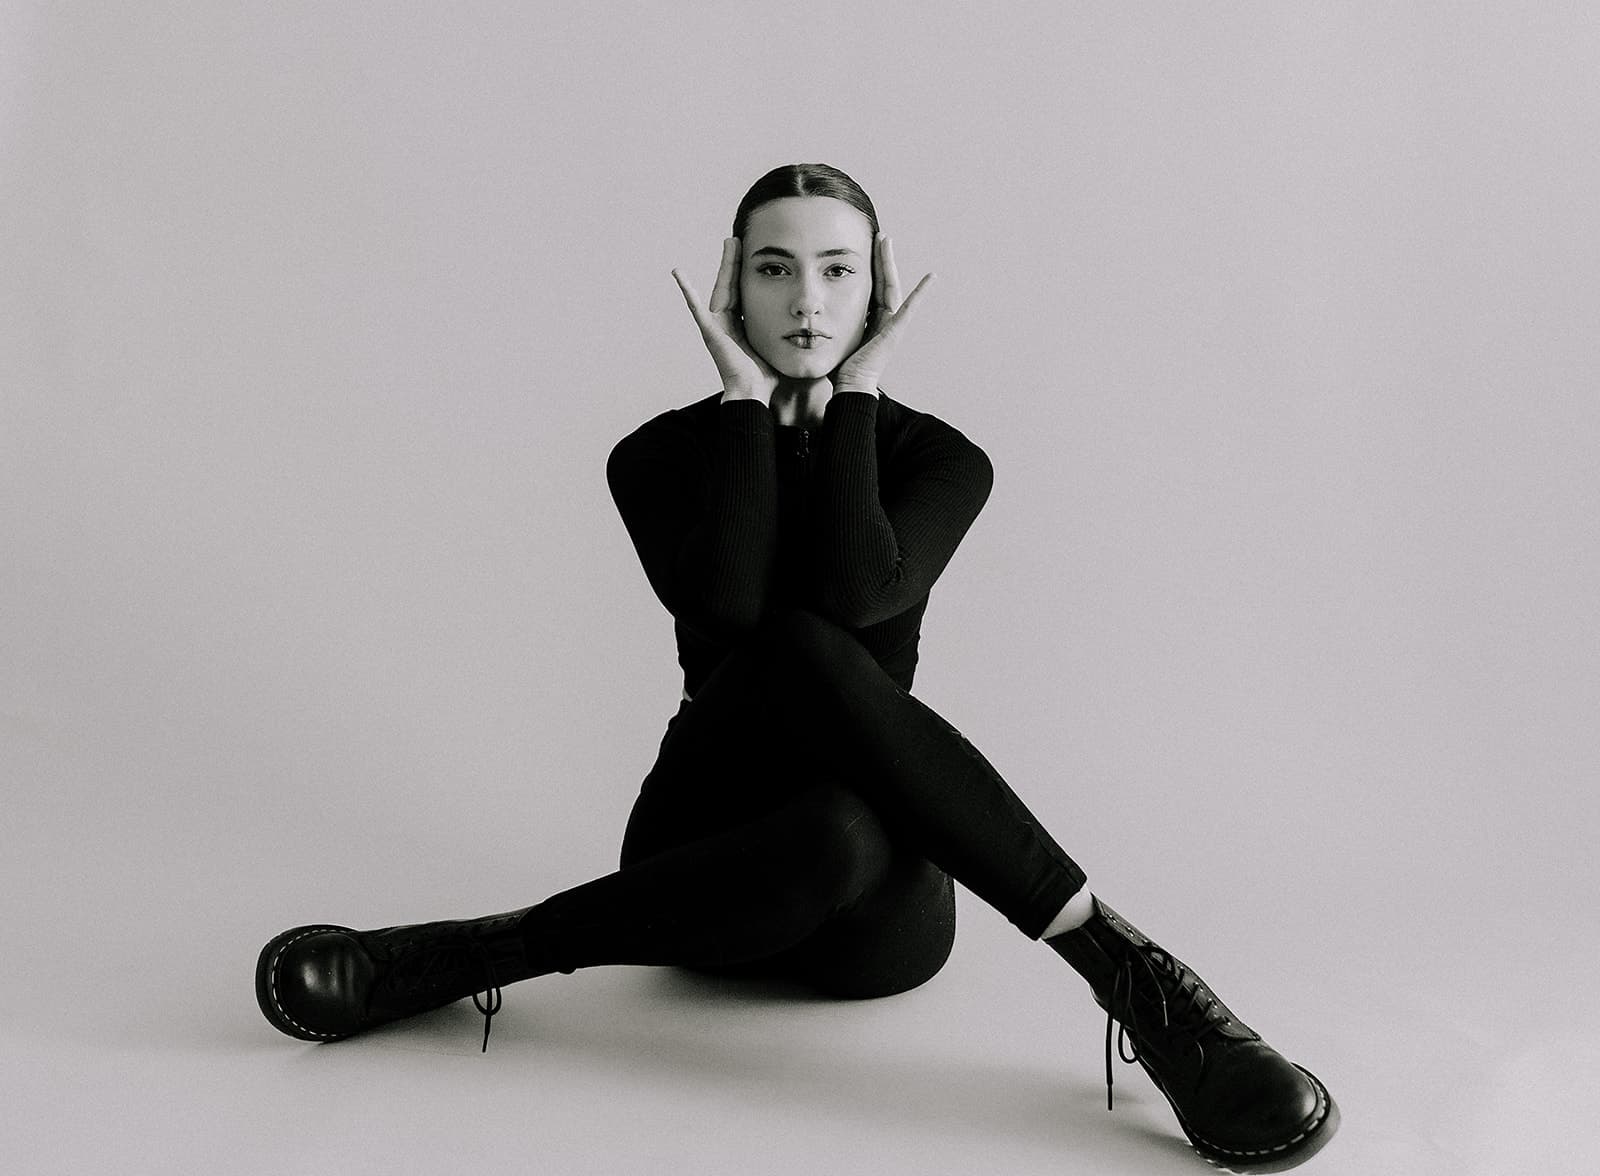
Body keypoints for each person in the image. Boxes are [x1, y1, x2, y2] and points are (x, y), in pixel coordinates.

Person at [255, 163, 1340, 1170]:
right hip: (696, 852)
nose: (807, 304)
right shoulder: (657, 456)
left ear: (878, 286)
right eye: (774, 270)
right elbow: (727, 606)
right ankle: (1126, 971)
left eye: (838, 271)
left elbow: (861, 593)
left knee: (837, 805)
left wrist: (858, 397)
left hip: (874, 896)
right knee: (780, 643)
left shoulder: (940, 459)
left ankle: (473, 953)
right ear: (732, 282)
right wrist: (742, 406)